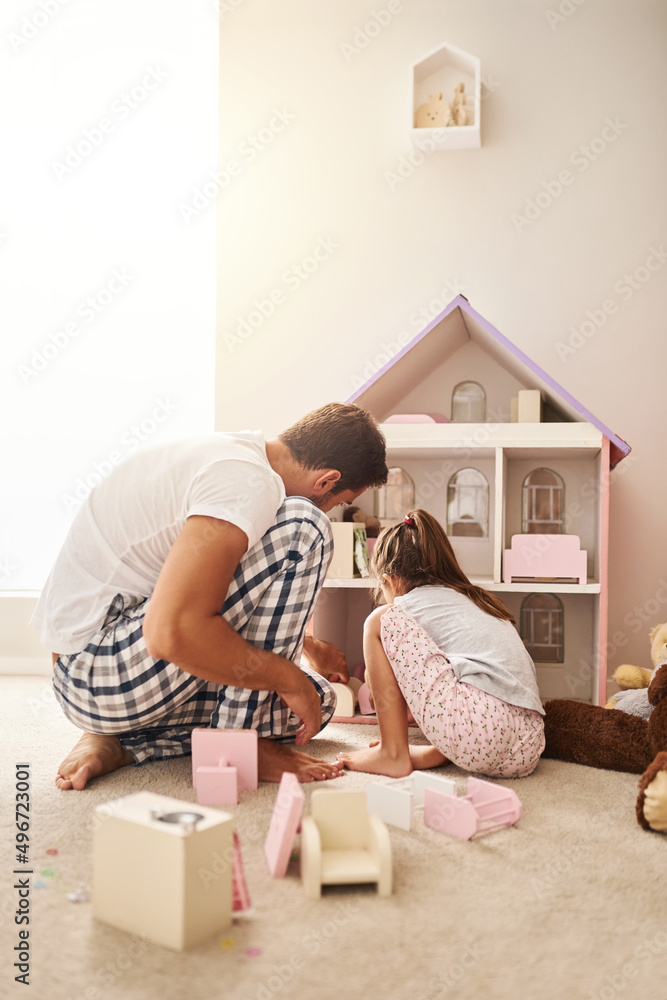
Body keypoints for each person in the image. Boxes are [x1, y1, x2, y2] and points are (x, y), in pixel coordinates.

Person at [31, 402, 388, 790]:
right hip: (95, 673)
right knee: (307, 528)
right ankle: (238, 743)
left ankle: (128, 744)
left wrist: (306, 649)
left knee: (319, 699)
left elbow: (203, 592)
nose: (333, 508)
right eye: (339, 501)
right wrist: (286, 677)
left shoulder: (234, 456)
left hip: (113, 666)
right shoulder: (246, 483)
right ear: (325, 481)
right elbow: (171, 631)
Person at [338, 509, 545, 779]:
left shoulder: (408, 605)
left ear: (390, 580)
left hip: (481, 731)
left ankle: (392, 753)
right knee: (468, 677)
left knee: (378, 620)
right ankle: (434, 752)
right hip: (529, 745)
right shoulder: (473, 600)